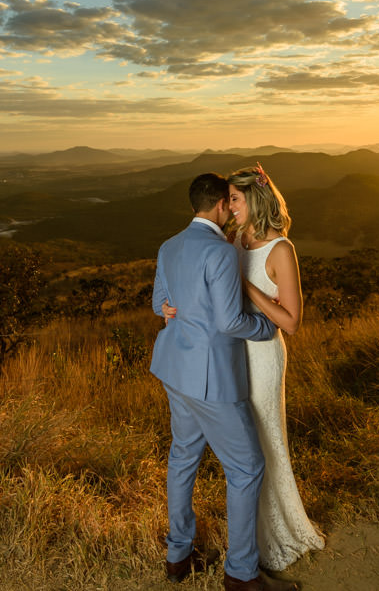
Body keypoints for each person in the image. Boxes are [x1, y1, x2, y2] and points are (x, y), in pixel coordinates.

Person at [150, 173, 300, 591]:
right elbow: (231, 322)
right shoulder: (221, 252)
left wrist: (172, 309)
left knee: (182, 459)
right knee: (247, 467)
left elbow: (159, 303)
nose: (231, 209)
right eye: (228, 202)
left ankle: (178, 556)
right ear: (218, 204)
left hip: (173, 370)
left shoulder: (169, 246)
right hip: (212, 377)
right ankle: (241, 573)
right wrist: (265, 330)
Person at [226, 164, 326, 572]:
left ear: (254, 198)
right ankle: (250, 535)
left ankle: (278, 535)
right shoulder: (235, 239)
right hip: (232, 353)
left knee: (267, 442)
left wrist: (246, 287)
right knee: (243, 447)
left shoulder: (281, 249)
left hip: (265, 356)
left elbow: (292, 321)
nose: (228, 205)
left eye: (233, 198)